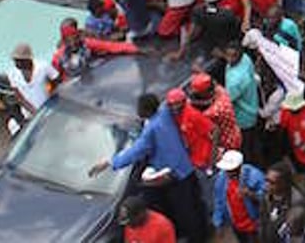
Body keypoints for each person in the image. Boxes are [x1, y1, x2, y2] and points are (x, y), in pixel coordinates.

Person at [89, 93, 208, 243]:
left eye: (140, 108)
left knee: (185, 212)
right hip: (186, 169)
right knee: (194, 206)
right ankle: (201, 233)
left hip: (174, 175)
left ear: (146, 110)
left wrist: (109, 163)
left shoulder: (151, 130)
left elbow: (135, 151)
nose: (137, 110)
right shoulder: (164, 112)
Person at [213, 149, 266, 243]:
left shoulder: (255, 175)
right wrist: (218, 223)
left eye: (231, 170)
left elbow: (268, 197)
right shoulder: (221, 179)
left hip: (254, 225)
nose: (228, 173)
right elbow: (219, 202)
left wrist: (251, 194)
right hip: (237, 226)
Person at [7, 42, 59, 124]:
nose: (17, 63)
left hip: (49, 110)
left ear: (28, 59)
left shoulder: (43, 66)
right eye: (16, 61)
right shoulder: (12, 73)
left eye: (21, 61)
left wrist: (52, 93)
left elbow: (56, 79)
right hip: (29, 114)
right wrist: (35, 112)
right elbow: (19, 97)